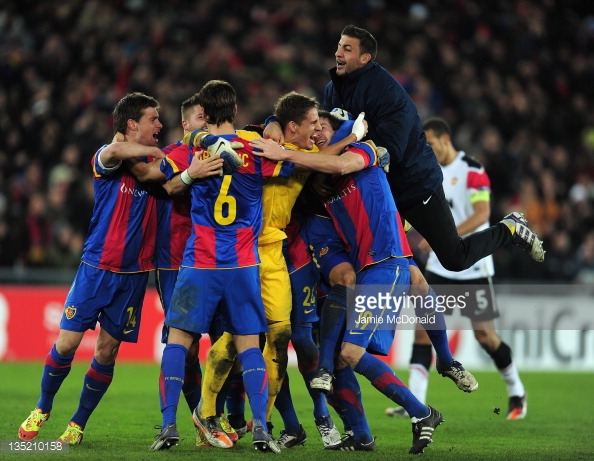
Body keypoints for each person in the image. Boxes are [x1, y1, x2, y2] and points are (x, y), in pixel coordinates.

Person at [264, 24, 545, 272]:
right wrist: (275, 121)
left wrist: (345, 160)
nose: (338, 53)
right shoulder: (332, 89)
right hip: (375, 185)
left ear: (365, 58)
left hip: (414, 186)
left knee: (454, 258)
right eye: (339, 46)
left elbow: (390, 152)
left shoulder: (388, 94)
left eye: (347, 49)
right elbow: (313, 122)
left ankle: (509, 228)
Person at [251, 114, 444, 455]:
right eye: (312, 125)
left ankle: (404, 410)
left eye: (322, 126)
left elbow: (351, 162)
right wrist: (275, 129)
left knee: (333, 350)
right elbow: (274, 127)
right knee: (313, 348)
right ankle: (355, 432)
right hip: (302, 258)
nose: (316, 131)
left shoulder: (351, 153)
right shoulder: (306, 160)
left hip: (352, 264)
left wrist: (363, 141)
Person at [150, 79, 294, 453]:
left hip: (199, 263)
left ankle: (168, 426)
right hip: (243, 264)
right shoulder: (256, 149)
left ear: (204, 114)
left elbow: (162, 182)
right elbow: (291, 168)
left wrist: (194, 152)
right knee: (249, 346)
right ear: (233, 111)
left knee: (179, 341)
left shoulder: (191, 152)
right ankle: (261, 428)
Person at [17, 92, 166, 445]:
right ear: (132, 124)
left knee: (107, 351)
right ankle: (43, 407)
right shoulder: (108, 157)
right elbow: (113, 151)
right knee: (67, 343)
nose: (160, 125)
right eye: (153, 119)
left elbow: (175, 181)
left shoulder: (155, 168)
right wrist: (158, 153)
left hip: (133, 276)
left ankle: (78, 423)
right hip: (96, 268)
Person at [386, 117, 527, 420]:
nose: (429, 150)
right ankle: (415, 403)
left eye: (432, 144)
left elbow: (482, 215)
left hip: (473, 268)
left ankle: (516, 389)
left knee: (485, 338)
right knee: (423, 334)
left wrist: (444, 239)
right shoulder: (427, 172)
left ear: (445, 140)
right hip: (439, 266)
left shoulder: (472, 170)